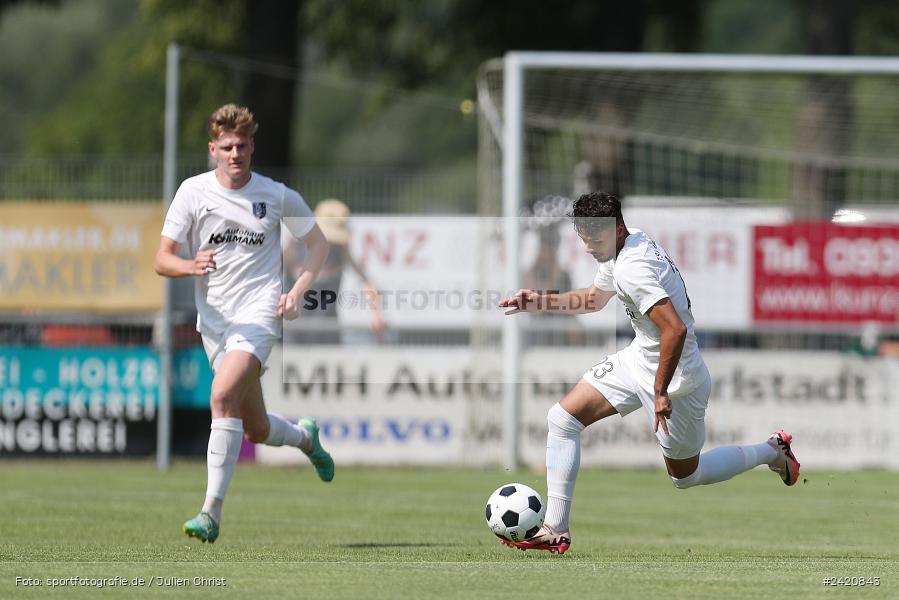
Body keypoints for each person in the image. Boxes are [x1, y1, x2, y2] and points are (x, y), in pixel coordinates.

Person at [499, 191, 800, 555]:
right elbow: (594, 299)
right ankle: (555, 529)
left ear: (617, 229)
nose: (589, 248)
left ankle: (772, 451)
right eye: (583, 239)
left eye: (594, 240)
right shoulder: (625, 245)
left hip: (677, 380)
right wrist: (539, 301)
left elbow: (676, 329)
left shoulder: (633, 268)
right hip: (639, 358)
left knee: (686, 477)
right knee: (563, 419)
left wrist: (660, 393)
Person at [154, 103, 335, 544]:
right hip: (214, 324)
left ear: (252, 146)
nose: (235, 153)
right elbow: (162, 259)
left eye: (242, 145)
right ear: (213, 149)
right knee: (255, 428)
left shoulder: (275, 195)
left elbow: (317, 244)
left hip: (258, 318)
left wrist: (295, 292)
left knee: (220, 395)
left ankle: (209, 513)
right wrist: (188, 265)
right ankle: (305, 438)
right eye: (227, 146)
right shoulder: (192, 193)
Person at [283, 198, 386, 344]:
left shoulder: (341, 251)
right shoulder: (295, 246)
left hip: (327, 330)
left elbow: (367, 281)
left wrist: (376, 314)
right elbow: (274, 275)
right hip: (294, 330)